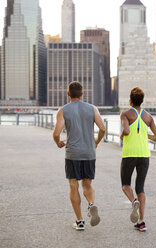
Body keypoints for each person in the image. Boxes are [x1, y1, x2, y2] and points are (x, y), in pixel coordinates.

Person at [53, 81, 106, 231]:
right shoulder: (92, 108)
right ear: (82, 94)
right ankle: (91, 204)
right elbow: (102, 128)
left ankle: (80, 221)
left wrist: (58, 143)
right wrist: (96, 142)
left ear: (68, 94)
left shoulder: (63, 110)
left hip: (73, 154)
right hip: (89, 152)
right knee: (87, 184)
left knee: (73, 185)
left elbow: (56, 133)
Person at [120, 87, 156, 232]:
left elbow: (126, 131)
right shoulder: (149, 117)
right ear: (142, 101)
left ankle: (134, 201)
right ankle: (141, 221)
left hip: (130, 154)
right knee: (140, 188)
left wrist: (121, 135)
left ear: (130, 100)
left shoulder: (125, 114)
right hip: (144, 155)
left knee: (126, 185)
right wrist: (146, 135)